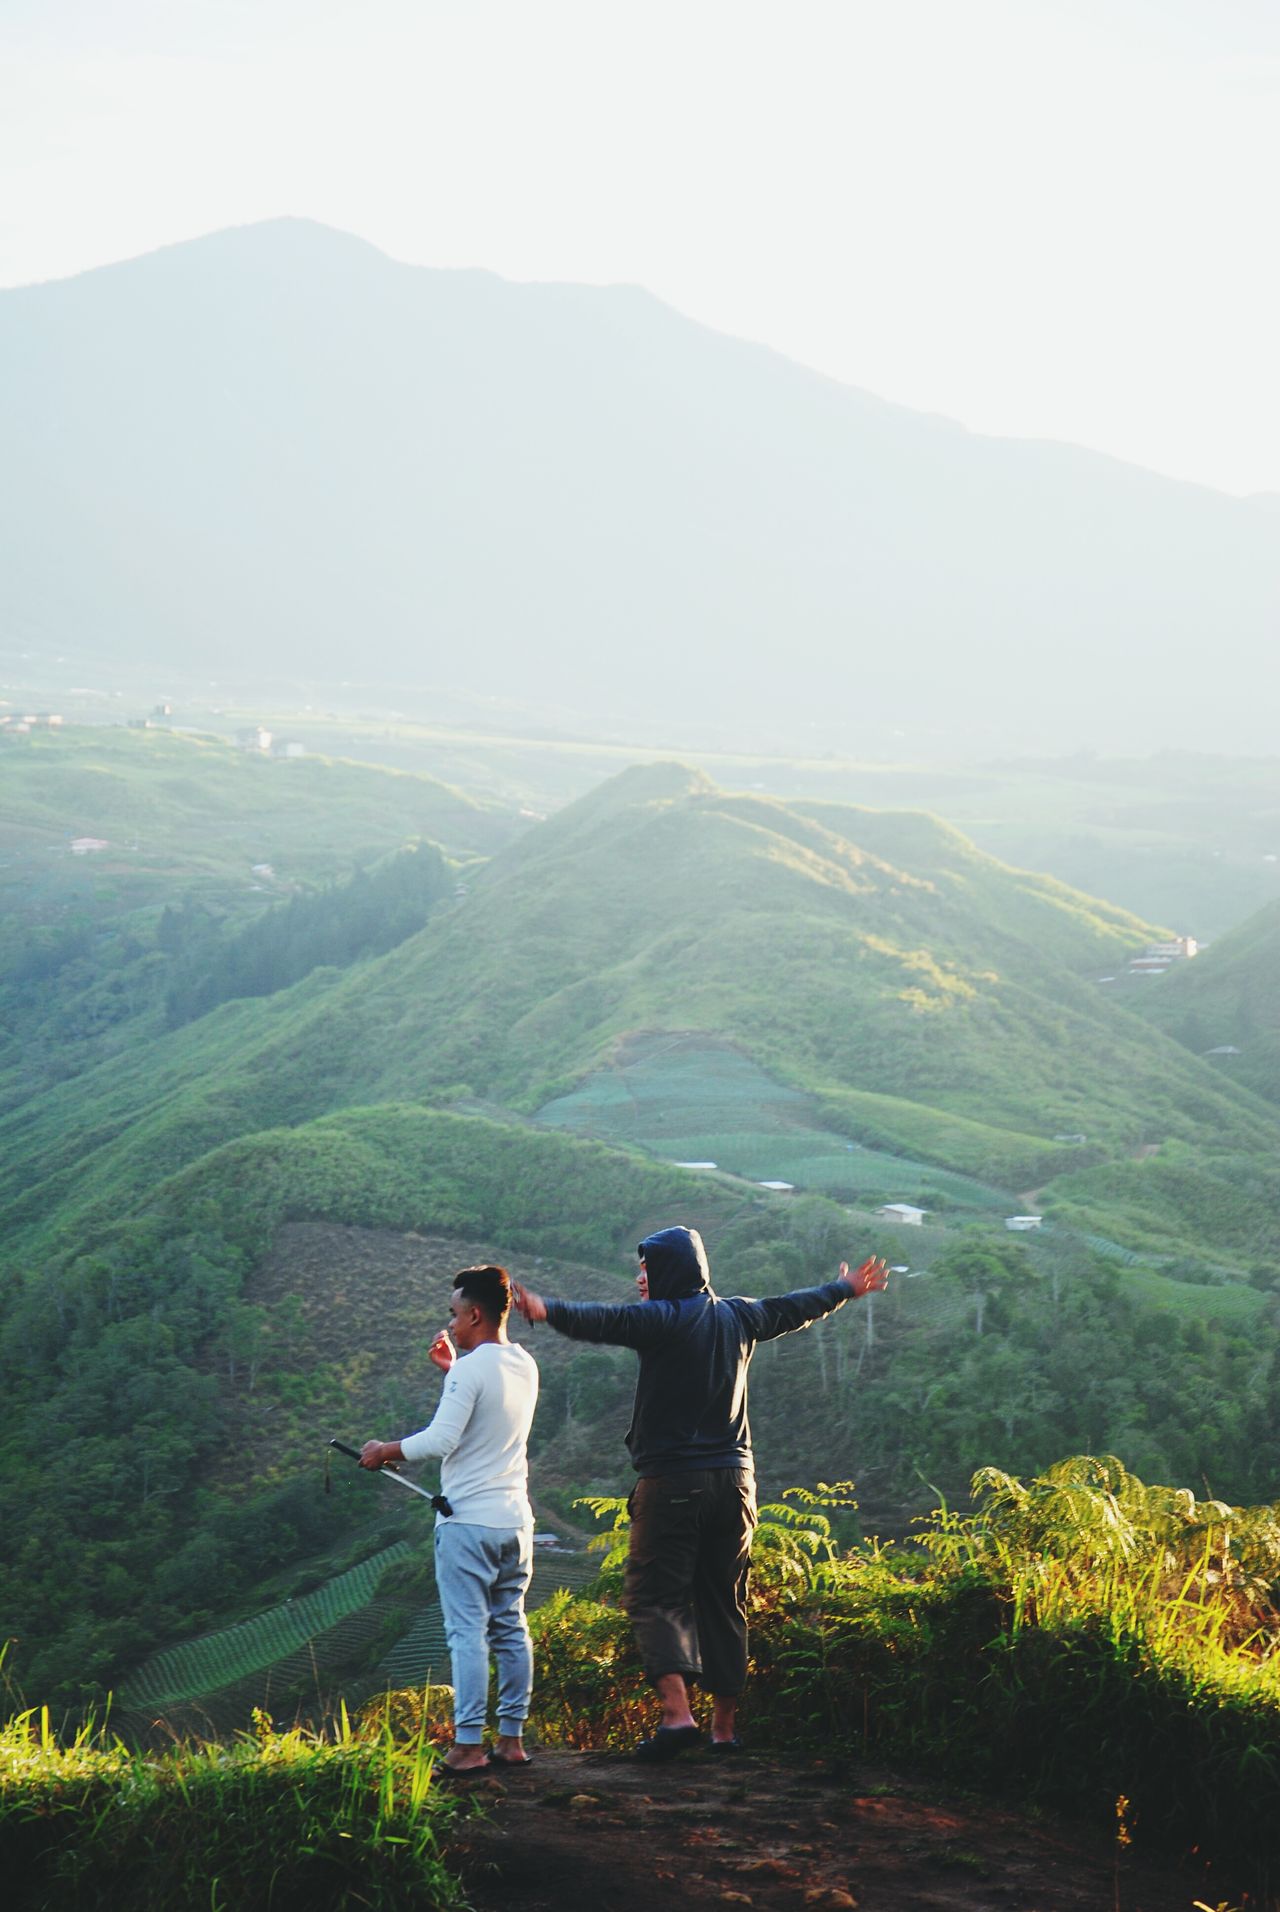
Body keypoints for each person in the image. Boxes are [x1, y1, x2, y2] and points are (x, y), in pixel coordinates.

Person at [512, 1225, 888, 1761]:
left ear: (670, 1271)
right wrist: (845, 1289)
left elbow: (605, 1320)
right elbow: (794, 1307)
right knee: (724, 1600)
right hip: (737, 1484)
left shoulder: (663, 1319)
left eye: (647, 1269)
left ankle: (676, 1716)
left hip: (673, 1483)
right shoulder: (738, 1315)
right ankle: (724, 1731)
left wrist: (547, 1309)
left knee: (652, 1595)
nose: (639, 1279)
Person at [361, 1263, 539, 1776]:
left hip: (467, 1526)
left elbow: (441, 1440)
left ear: (476, 1313)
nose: (452, 1323)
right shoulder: (524, 1364)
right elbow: (491, 1412)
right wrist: (452, 1370)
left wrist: (383, 1450)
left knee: (466, 1632)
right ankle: (511, 1740)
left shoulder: (469, 1370)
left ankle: (466, 1746)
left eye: (455, 1314)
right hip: (515, 1523)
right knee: (510, 1627)